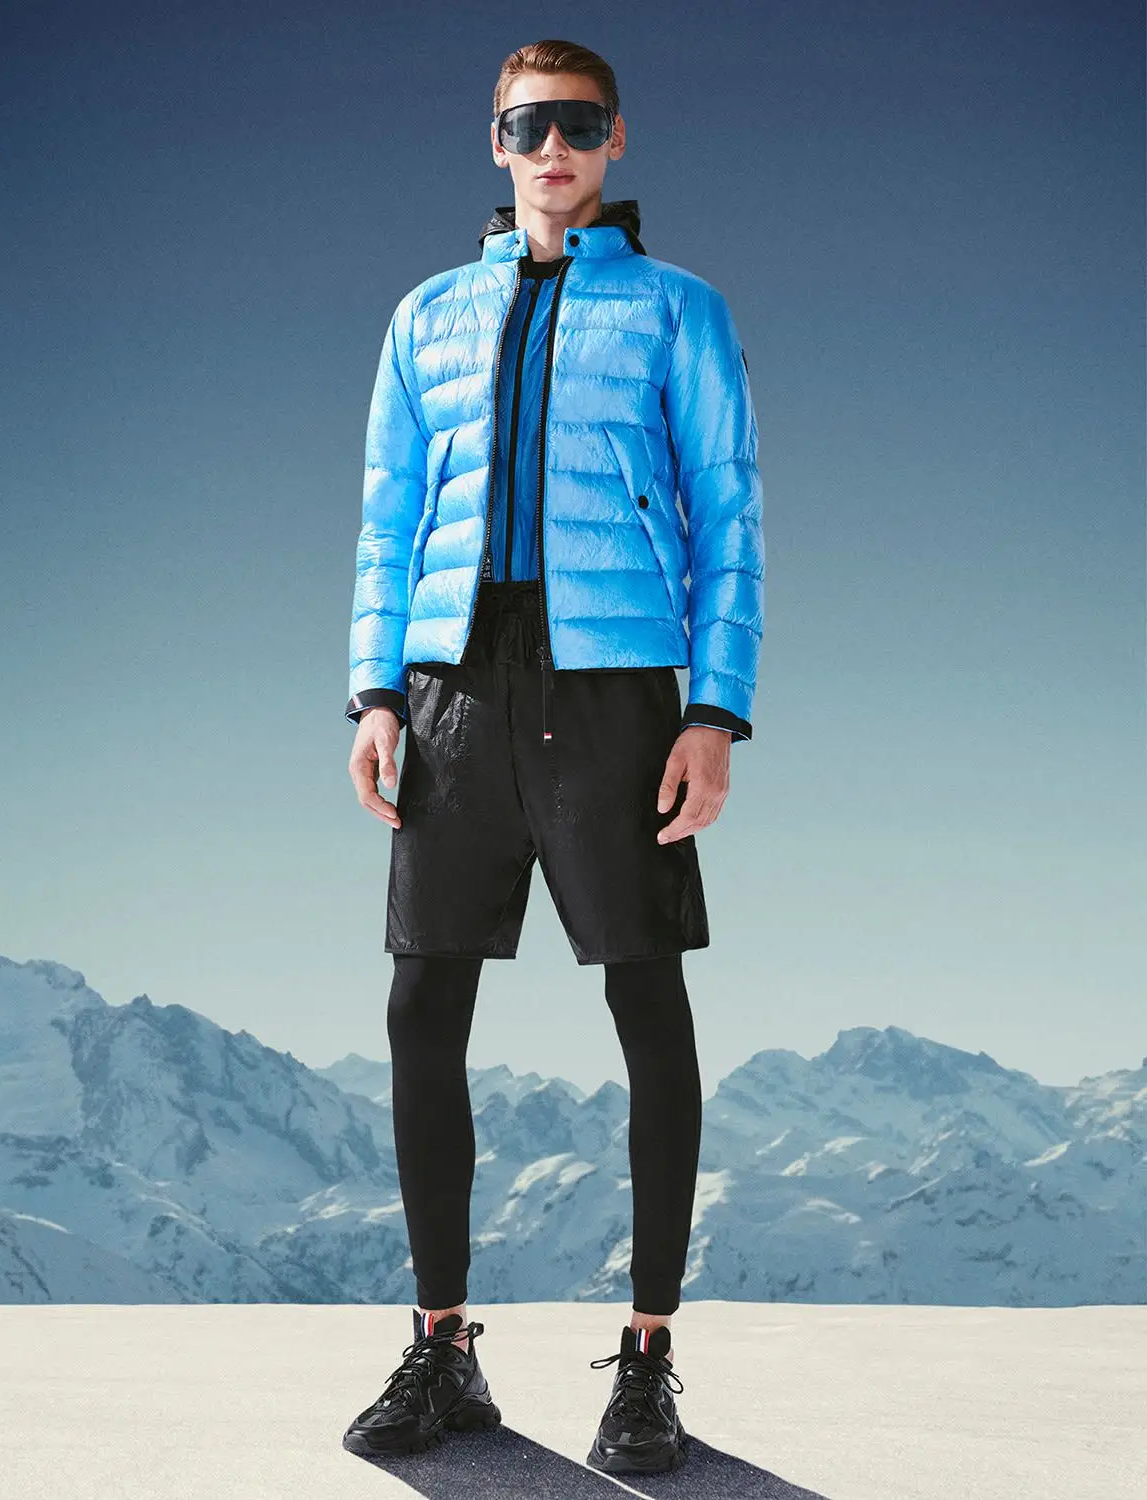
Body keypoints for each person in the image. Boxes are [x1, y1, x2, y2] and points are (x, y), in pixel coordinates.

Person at [340, 37, 764, 1476]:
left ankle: (646, 1365)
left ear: (616, 139)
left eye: (578, 124)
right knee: (422, 1007)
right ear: (498, 143)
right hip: (451, 687)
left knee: (648, 1005)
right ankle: (442, 1350)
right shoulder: (427, 317)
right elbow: (389, 516)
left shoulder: (678, 310)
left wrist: (713, 712)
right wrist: (375, 693)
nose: (553, 149)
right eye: (528, 126)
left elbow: (728, 514)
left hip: (616, 692)